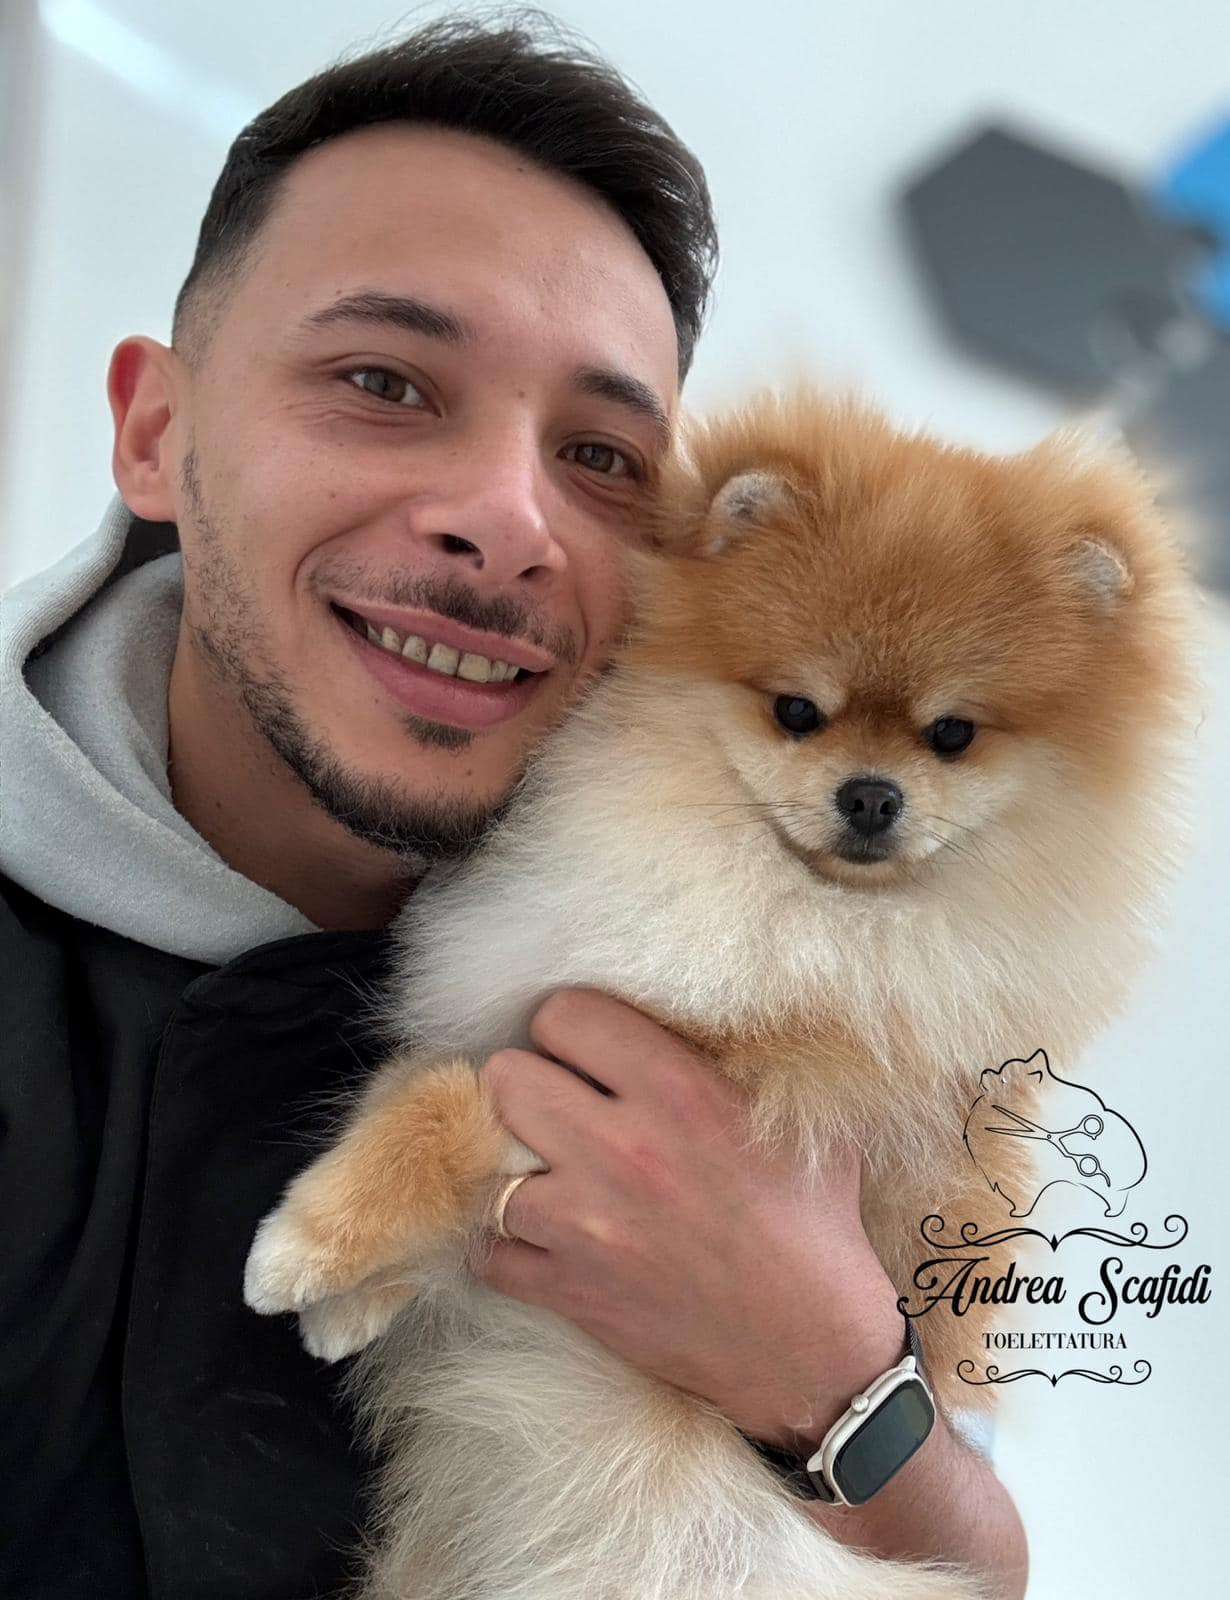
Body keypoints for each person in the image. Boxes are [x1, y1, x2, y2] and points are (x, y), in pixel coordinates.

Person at [0, 10, 1027, 1597]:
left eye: (602, 458)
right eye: (383, 381)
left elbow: (979, 1559)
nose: (506, 518)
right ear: (156, 431)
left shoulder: (769, 944)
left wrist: (834, 1379)